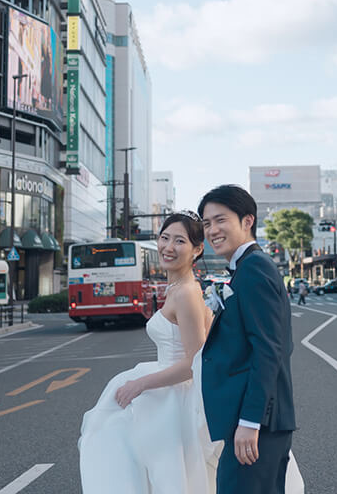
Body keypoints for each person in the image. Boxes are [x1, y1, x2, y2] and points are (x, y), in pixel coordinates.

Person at [79, 211, 219, 493]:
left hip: (177, 397)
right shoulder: (177, 288)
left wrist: (140, 384)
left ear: (197, 249)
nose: (168, 247)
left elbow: (195, 362)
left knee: (166, 475)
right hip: (168, 389)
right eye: (164, 238)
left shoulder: (186, 294)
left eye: (179, 241)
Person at [199, 185, 297, 494]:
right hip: (258, 421)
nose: (212, 230)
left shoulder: (254, 268)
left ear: (247, 221)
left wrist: (250, 421)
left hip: (260, 423)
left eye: (220, 220)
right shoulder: (246, 268)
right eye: (206, 223)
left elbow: (269, 351)